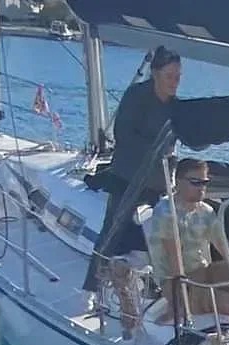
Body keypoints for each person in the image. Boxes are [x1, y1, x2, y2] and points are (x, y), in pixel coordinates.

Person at [84, 46, 182, 293]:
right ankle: (92, 286)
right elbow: (123, 134)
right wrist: (155, 149)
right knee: (113, 230)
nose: (174, 82)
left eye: (178, 77)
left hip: (158, 182)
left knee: (156, 237)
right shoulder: (136, 96)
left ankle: (152, 289)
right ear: (155, 74)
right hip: (128, 177)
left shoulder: (177, 106)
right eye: (170, 76)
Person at [146, 159, 229, 325]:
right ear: (178, 182)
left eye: (205, 182)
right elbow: (174, 259)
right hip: (178, 280)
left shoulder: (206, 211)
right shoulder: (166, 212)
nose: (202, 187)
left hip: (204, 273)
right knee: (226, 303)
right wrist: (179, 296)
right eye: (195, 182)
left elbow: (226, 248)